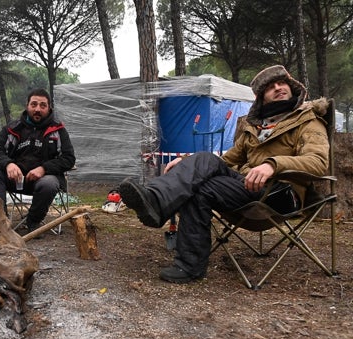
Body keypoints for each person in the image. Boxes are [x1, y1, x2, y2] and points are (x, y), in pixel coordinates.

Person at [119, 65, 330, 284]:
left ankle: (183, 252)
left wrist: (272, 165)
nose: (277, 88)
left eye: (281, 83)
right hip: (249, 187)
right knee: (204, 162)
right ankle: (157, 204)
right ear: (262, 98)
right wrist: (184, 163)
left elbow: (318, 162)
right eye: (270, 87)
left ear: (292, 88)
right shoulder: (255, 127)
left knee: (201, 189)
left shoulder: (308, 120)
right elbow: (226, 160)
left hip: (282, 193)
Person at [0, 88, 76, 233]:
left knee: (49, 182)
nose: (38, 109)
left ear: (49, 108)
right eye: (34, 105)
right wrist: (8, 164)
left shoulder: (58, 130)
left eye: (42, 105)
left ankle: (32, 222)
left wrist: (44, 169)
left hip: (44, 182)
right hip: (16, 180)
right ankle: (0, 222)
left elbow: (69, 158)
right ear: (27, 106)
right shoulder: (11, 128)